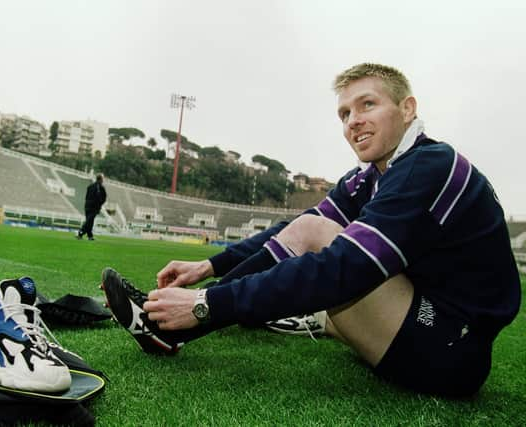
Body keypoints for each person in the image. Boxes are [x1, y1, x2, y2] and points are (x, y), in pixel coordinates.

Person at [101, 63, 521, 397]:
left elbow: (341, 264)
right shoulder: (372, 175)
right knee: (308, 237)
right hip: (421, 323)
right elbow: (290, 229)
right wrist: (209, 266)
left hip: (451, 350)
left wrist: (205, 303)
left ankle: (176, 329)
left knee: (322, 250)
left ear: (407, 109)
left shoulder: (429, 165)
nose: (353, 121)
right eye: (344, 113)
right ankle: (306, 317)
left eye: (367, 105)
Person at [77, 173, 106, 241]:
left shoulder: (90, 186)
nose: (103, 180)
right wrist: (100, 204)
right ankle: (80, 232)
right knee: (89, 221)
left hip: (87, 206)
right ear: (101, 179)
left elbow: (86, 197)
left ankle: (90, 236)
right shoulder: (100, 187)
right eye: (103, 179)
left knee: (90, 221)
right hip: (94, 207)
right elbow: (103, 198)